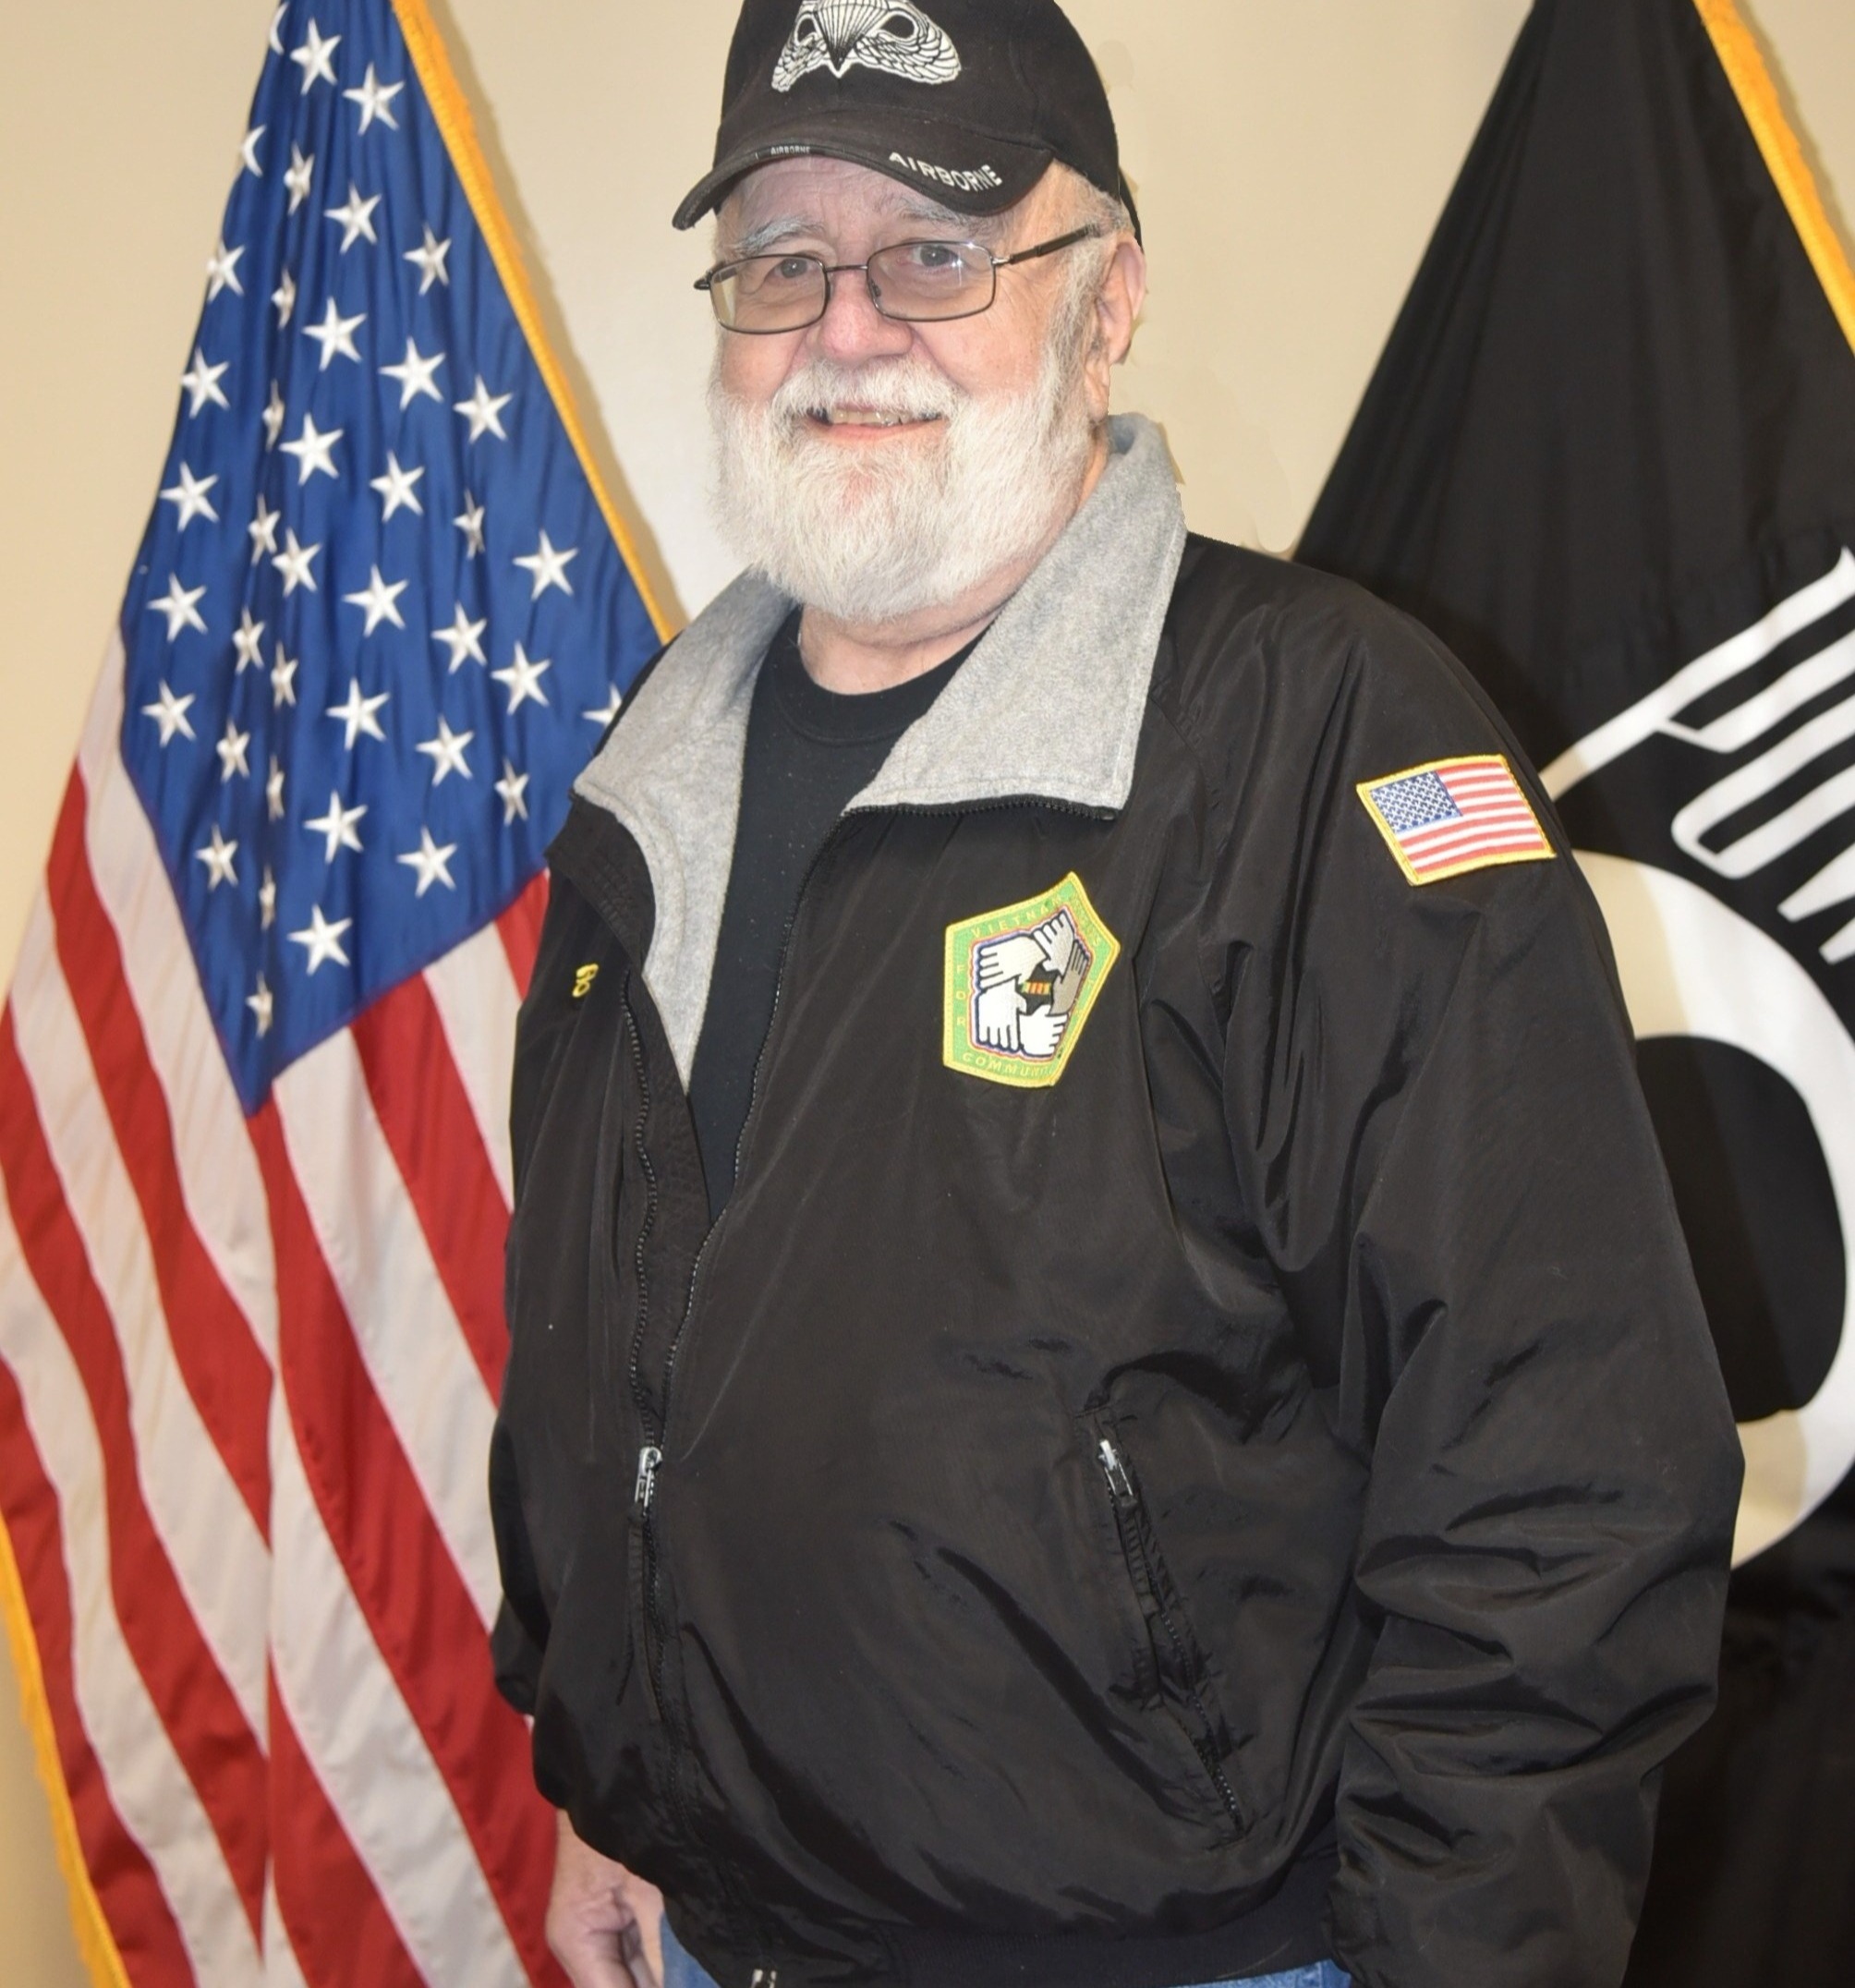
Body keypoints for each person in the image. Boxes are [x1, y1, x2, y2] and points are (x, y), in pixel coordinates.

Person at [489, 3, 1743, 1984]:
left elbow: (1561, 1466)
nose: (845, 323)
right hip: (720, 1932)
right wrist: (610, 1787)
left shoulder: (1320, 738)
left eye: (937, 250)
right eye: (782, 258)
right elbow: (609, 1342)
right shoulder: (646, 772)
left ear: (1108, 298)